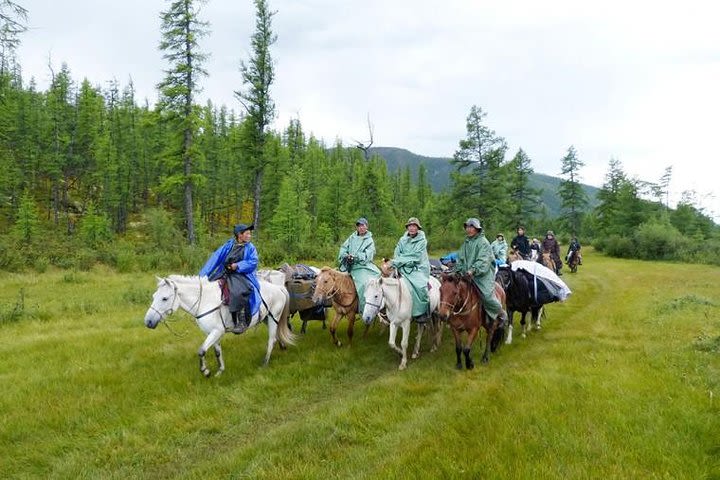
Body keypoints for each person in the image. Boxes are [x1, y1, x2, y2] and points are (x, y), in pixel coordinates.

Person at [199, 223, 261, 334]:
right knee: (210, 287)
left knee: (239, 291)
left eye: (249, 234)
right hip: (224, 272)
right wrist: (202, 276)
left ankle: (241, 321)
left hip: (242, 274)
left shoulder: (250, 248)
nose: (249, 236)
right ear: (239, 235)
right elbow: (215, 258)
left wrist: (238, 265)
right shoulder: (229, 245)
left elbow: (253, 262)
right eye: (247, 233)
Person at [453, 218, 507, 326]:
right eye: (467, 227)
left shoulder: (483, 242)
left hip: (482, 275)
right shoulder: (466, 242)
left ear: (477, 229)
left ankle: (500, 313)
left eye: (471, 227)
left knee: (487, 296)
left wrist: (473, 270)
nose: (469, 229)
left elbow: (483, 260)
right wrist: (458, 269)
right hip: (467, 274)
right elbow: (460, 258)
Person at [389, 217, 431, 324]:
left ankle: (421, 312)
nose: (411, 228)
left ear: (418, 228)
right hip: (402, 266)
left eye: (414, 226)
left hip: (418, 268)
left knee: (420, 286)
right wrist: (399, 261)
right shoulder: (402, 240)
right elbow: (397, 252)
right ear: (407, 228)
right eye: (410, 226)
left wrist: (399, 260)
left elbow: (416, 256)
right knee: (386, 282)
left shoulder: (422, 241)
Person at [337, 217, 381, 312]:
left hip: (361, 266)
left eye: (363, 225)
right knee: (332, 279)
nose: (361, 228)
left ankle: (364, 309)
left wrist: (356, 256)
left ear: (367, 227)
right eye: (359, 226)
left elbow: (369, 255)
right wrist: (345, 256)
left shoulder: (369, 240)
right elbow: (343, 248)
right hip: (348, 265)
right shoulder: (352, 237)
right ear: (357, 227)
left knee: (363, 285)